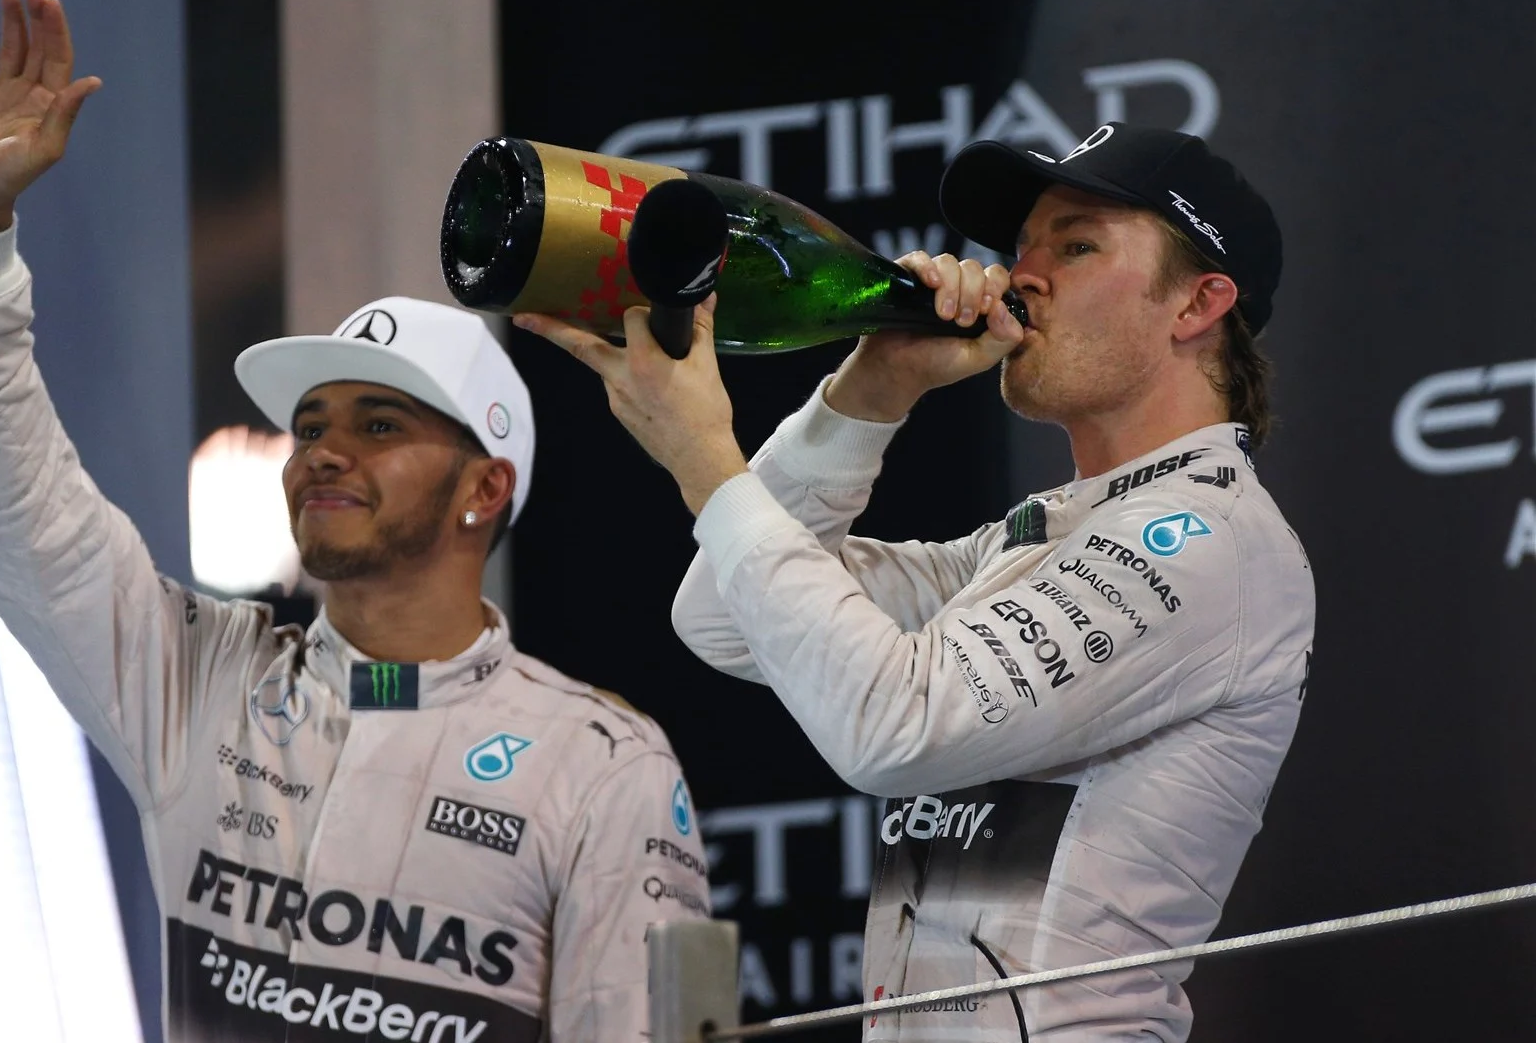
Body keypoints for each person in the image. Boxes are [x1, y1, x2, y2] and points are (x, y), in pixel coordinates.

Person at [0, 0, 709, 1042]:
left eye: (380, 425)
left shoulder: (601, 764)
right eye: (310, 423)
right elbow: (9, 498)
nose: (324, 450)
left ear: (485, 490)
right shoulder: (200, 684)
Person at [516, 122, 1314, 1041]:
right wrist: (869, 394)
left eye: (1077, 244)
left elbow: (894, 729)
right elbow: (720, 617)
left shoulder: (1208, 538)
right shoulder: (1039, 535)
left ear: (1198, 303)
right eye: (1023, 248)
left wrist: (705, 457)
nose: (1024, 275)